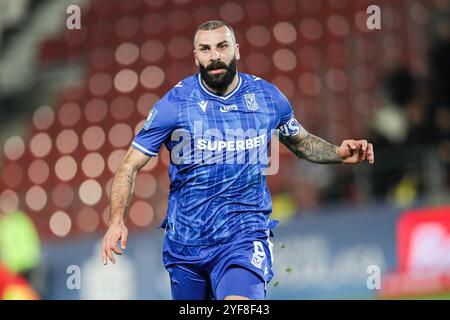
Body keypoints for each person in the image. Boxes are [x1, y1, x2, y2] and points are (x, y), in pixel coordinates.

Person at [101, 20, 374, 300]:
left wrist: (337, 153)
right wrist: (116, 220)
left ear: (237, 50)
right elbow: (129, 166)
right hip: (186, 245)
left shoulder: (267, 98)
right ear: (195, 57)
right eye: (205, 49)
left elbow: (300, 141)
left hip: (244, 234)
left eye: (222, 46)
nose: (214, 55)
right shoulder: (175, 105)